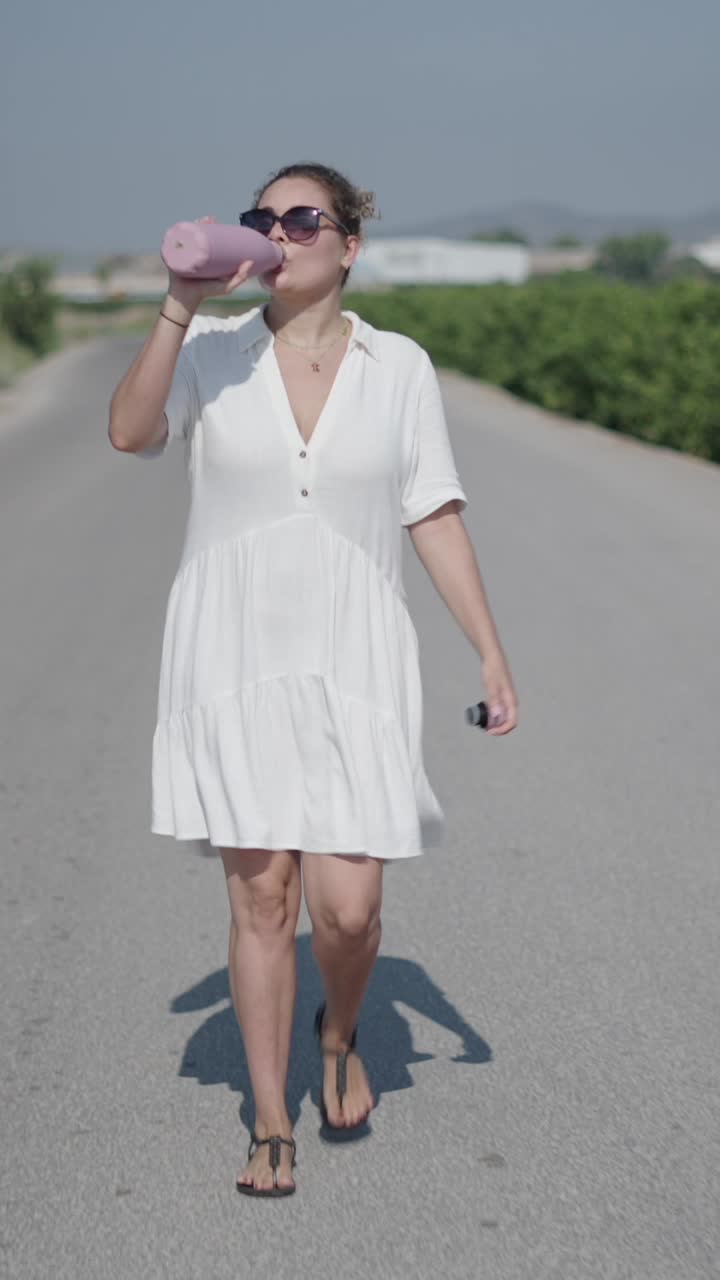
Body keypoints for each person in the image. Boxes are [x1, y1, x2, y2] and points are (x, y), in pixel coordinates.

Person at [108, 162, 518, 1198]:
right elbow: (129, 432)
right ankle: (270, 1117)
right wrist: (176, 304)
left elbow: (433, 512)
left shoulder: (399, 365)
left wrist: (490, 648)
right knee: (263, 898)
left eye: (302, 220)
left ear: (348, 244)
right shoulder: (211, 351)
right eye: (263, 220)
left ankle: (340, 1030)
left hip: (354, 656)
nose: (279, 235)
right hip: (233, 655)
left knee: (346, 909)